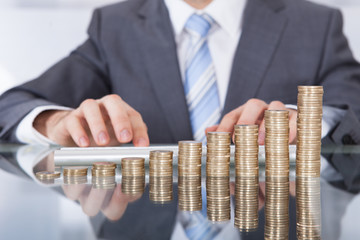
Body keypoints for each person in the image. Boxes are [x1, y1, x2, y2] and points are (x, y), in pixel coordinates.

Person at [0, 0, 360, 147]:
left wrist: (310, 124)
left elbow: (355, 113)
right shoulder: (114, 27)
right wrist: (56, 121)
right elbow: (12, 106)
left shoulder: (315, 25)